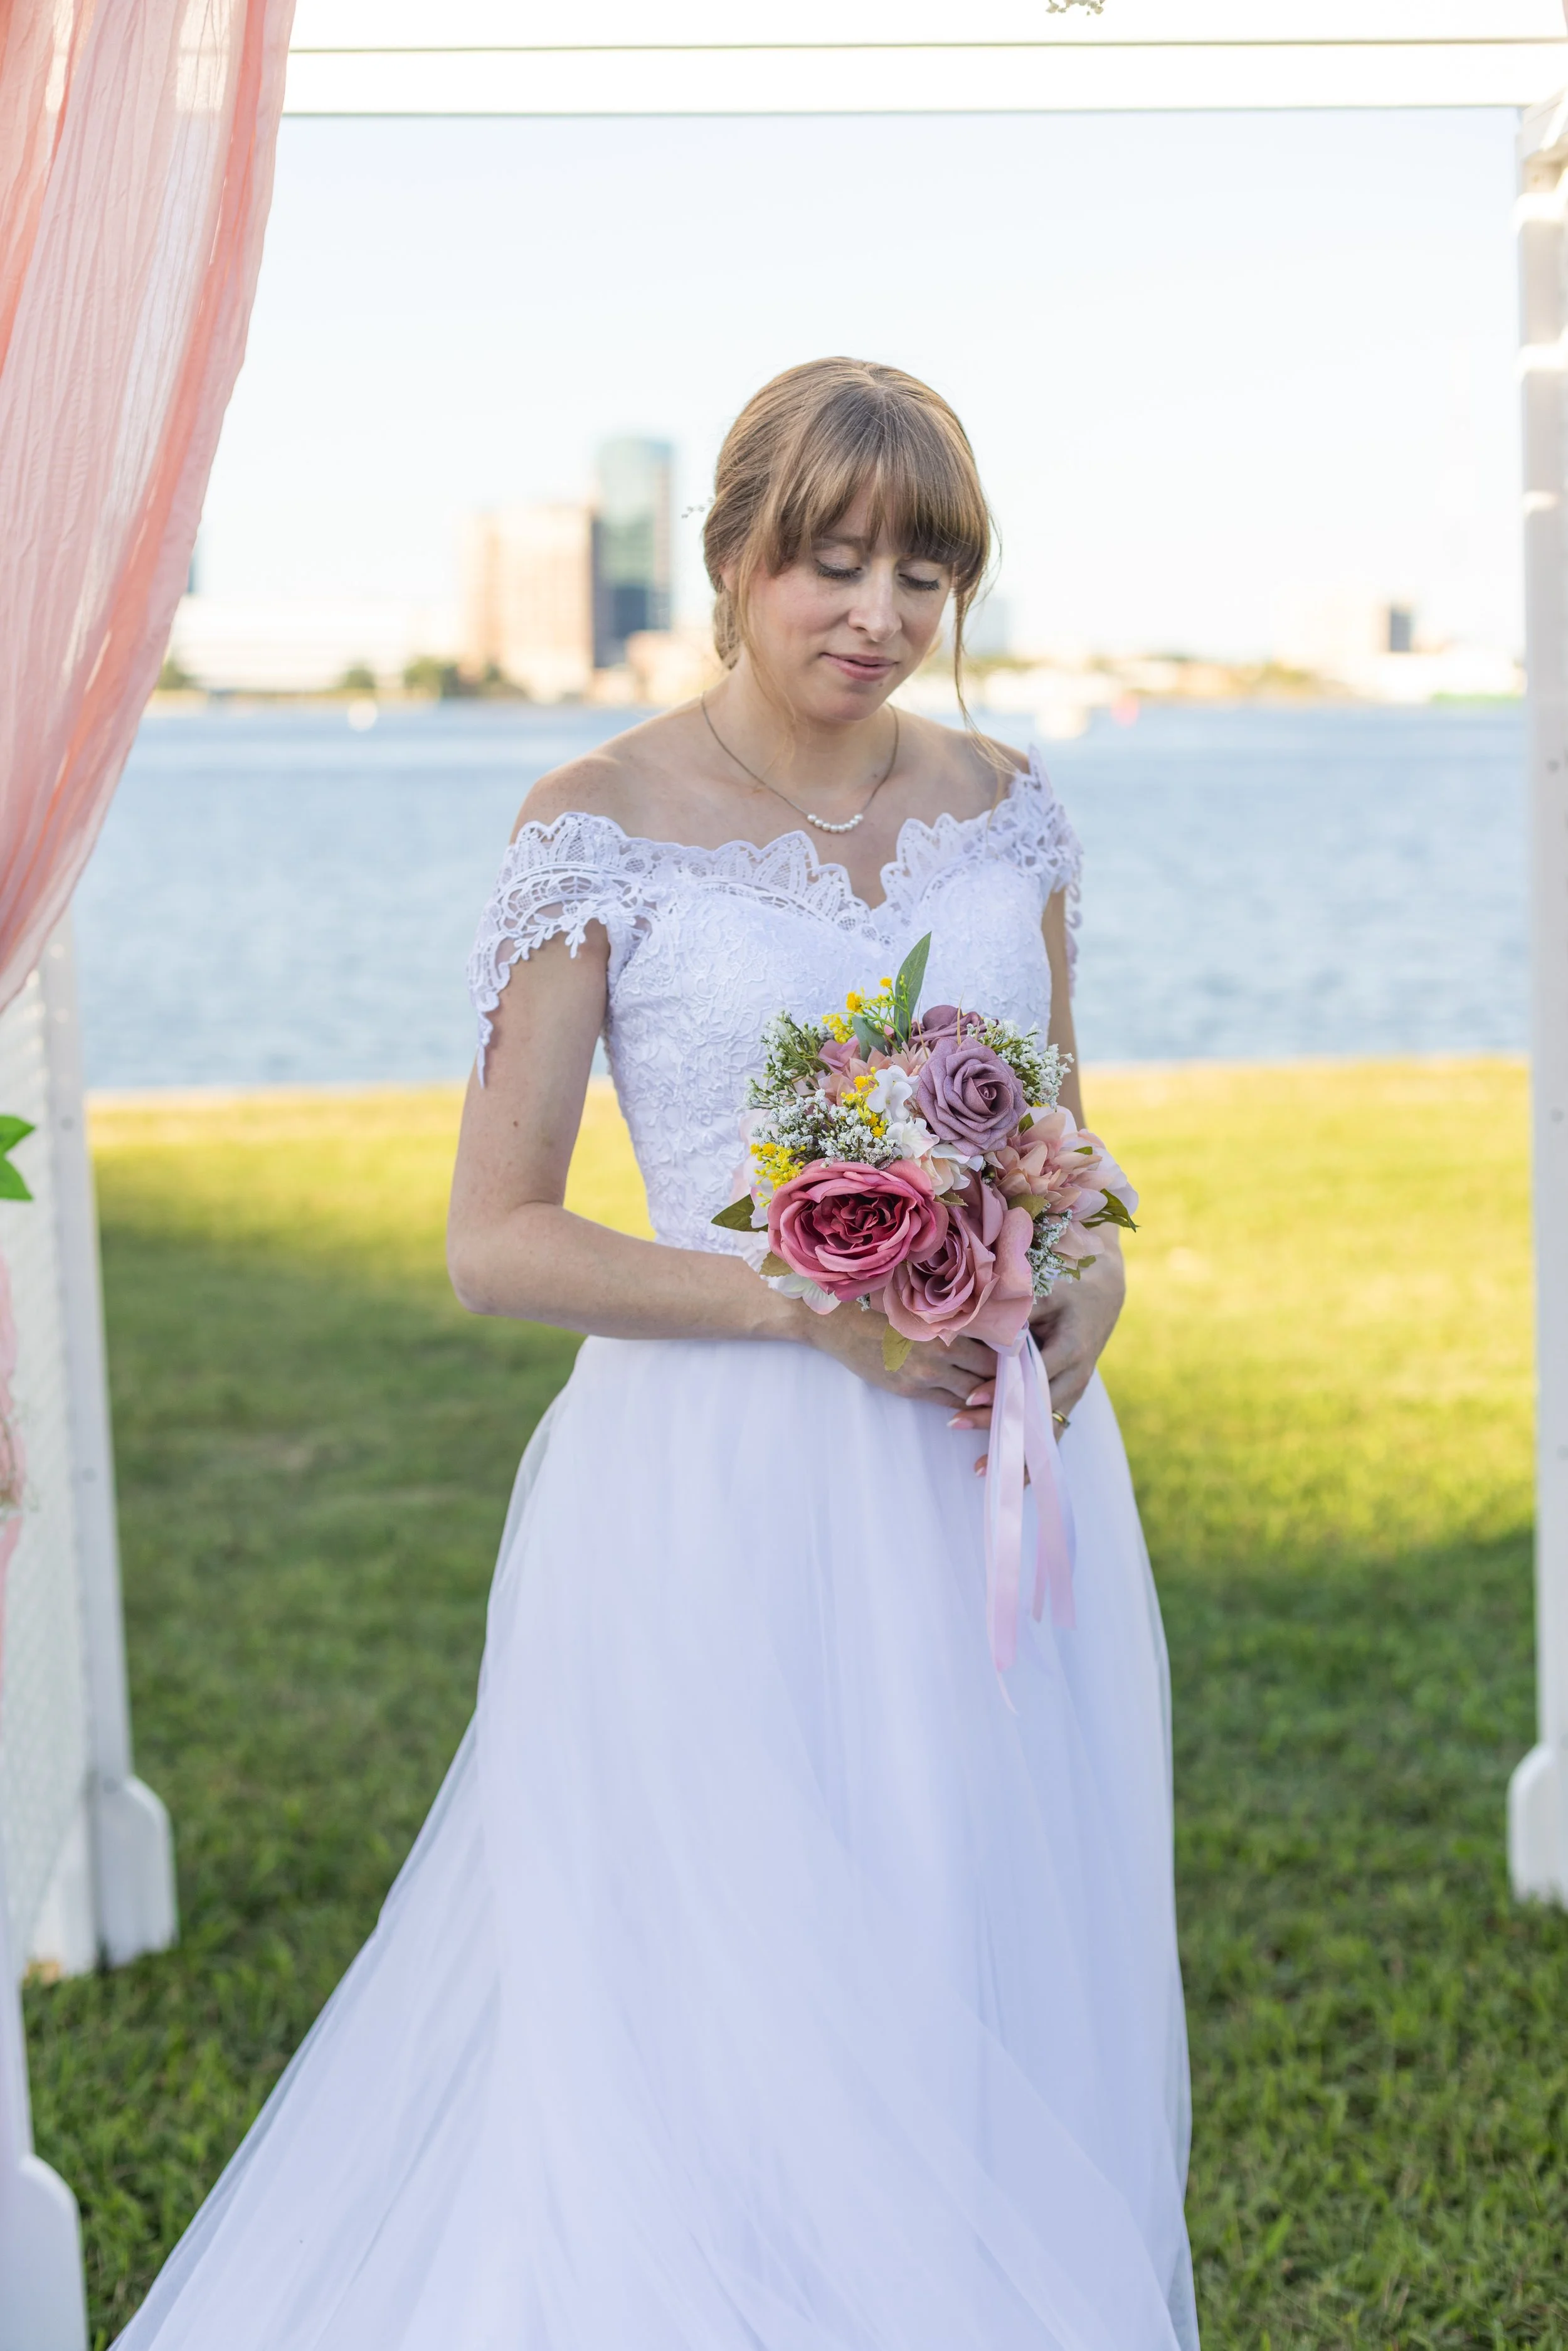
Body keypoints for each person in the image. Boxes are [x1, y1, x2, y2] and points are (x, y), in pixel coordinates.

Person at [119, 358, 1197, 2348]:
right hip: (713, 1493)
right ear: (728, 559)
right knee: (725, 2001)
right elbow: (492, 1240)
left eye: (924, 573)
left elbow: (1064, 1146)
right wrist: (810, 1308)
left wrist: (1079, 1293)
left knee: (963, 1947)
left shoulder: (1008, 810)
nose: (878, 614)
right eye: (833, 561)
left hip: (986, 1474)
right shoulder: (593, 824)